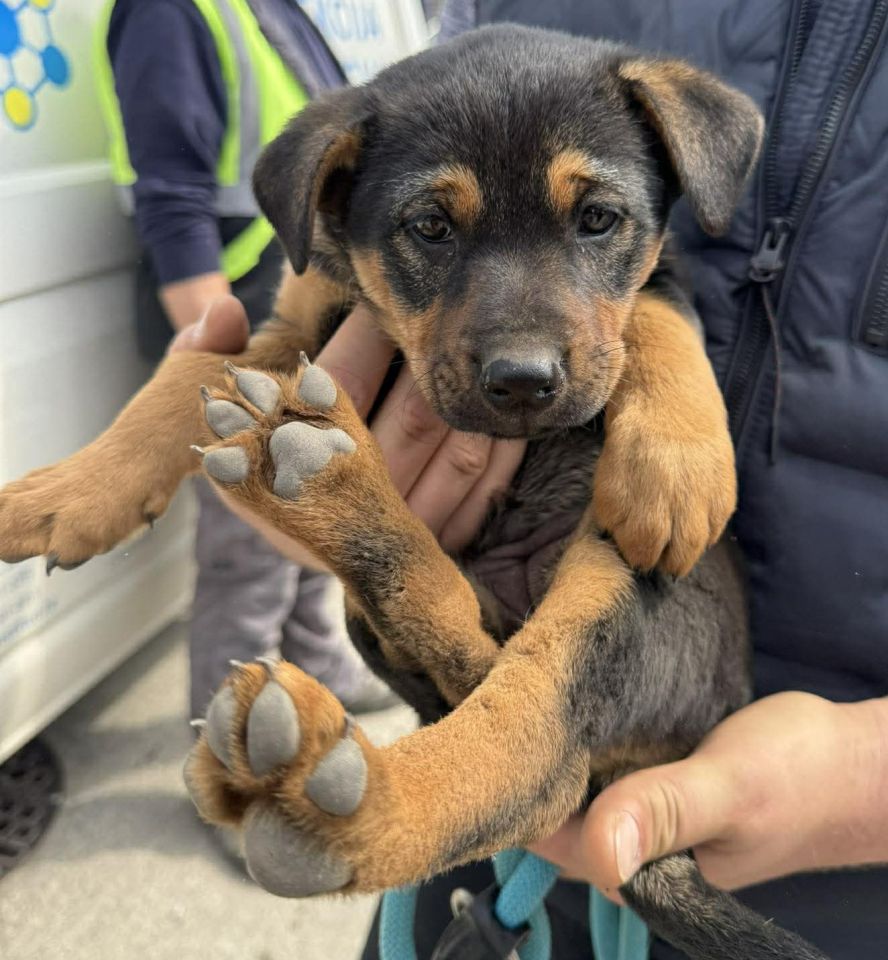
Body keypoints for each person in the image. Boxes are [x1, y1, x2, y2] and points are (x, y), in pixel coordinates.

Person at [174, 0, 888, 956]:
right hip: (485, 865)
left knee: (605, 590)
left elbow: (663, 278)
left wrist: (860, 780)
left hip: (827, 845)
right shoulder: (507, 48)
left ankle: (384, 815)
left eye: (595, 218)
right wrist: (302, 484)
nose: (525, 347)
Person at [96, 0, 397, 721]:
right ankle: (229, 750)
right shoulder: (168, 11)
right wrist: (221, 367)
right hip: (242, 336)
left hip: (298, 334)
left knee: (307, 532)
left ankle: (321, 677)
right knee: (248, 562)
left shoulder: (269, 10)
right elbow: (171, 201)